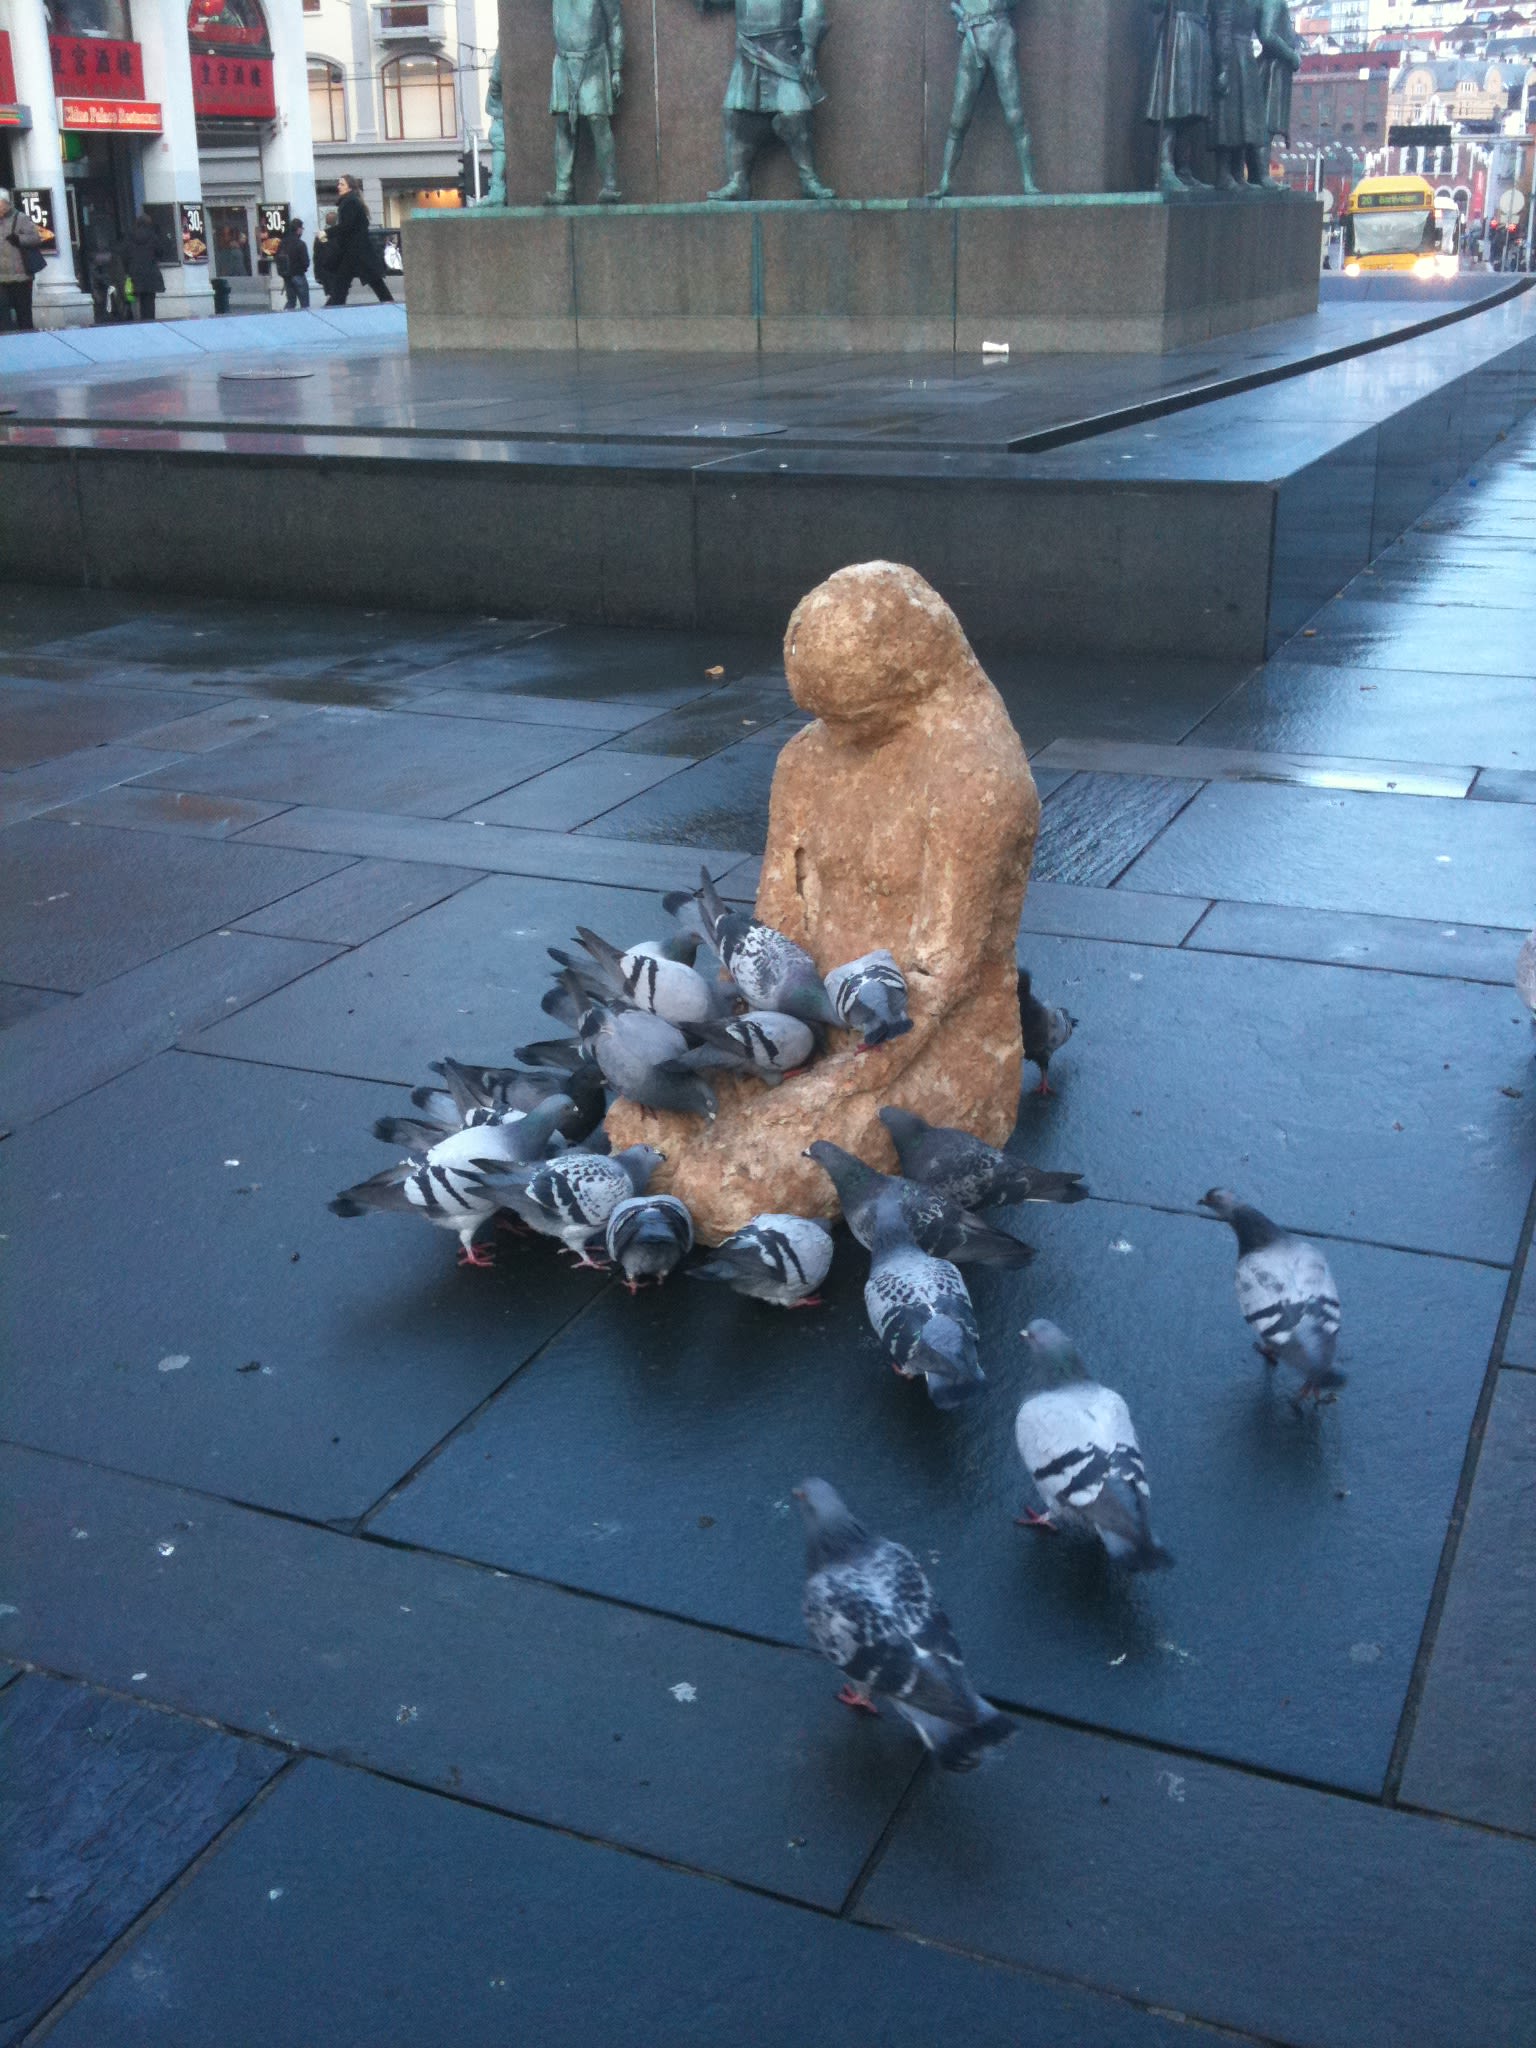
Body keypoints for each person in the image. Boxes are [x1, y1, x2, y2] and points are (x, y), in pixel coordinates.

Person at [324, 175, 394, 305]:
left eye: (342, 184)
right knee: (347, 284)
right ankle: (389, 303)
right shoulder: (351, 202)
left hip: (356, 251)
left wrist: (326, 233)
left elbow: (346, 226)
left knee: (346, 284)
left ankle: (332, 308)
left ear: (350, 187)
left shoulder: (350, 203)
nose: (338, 186)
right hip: (356, 251)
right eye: (339, 184)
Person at [0, 189, 44, 332]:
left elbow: (36, 238)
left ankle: (27, 339)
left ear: (5, 204)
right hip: (1, 277)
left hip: (21, 276)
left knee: (24, 312)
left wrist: (19, 239)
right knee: (3, 314)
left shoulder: (21, 218)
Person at [116, 212, 165, 321]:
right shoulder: (153, 237)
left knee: (134, 299)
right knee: (149, 301)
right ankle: (149, 322)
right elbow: (160, 252)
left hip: (134, 273)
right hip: (151, 273)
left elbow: (123, 254)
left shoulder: (129, 237)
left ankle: (137, 321)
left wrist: (128, 268)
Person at [277, 216, 310, 309]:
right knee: (305, 304)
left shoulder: (282, 243)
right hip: (298, 274)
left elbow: (277, 258)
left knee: (291, 302)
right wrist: (303, 268)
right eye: (302, 229)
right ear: (298, 229)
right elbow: (305, 262)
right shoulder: (300, 244)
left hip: (287, 276)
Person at [312, 209, 340, 300]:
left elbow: (316, 255)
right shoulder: (340, 234)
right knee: (338, 295)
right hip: (338, 269)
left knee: (332, 294)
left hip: (325, 270)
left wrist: (317, 273)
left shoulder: (321, 235)